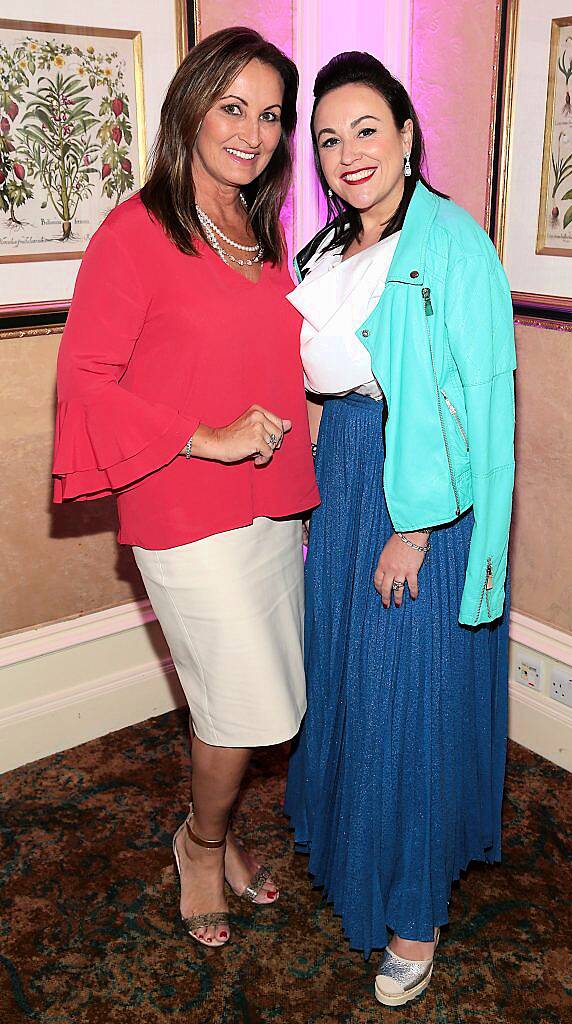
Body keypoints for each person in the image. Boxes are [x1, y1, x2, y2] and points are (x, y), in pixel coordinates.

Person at [52, 27, 319, 949]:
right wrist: (205, 437)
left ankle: (214, 828)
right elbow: (86, 379)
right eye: (231, 106)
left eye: (271, 114)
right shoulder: (137, 231)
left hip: (270, 504)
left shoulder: (262, 228)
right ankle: (199, 844)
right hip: (182, 505)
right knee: (249, 703)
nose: (252, 130)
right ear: (191, 109)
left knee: (241, 704)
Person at [285, 51, 515, 1006]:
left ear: (409, 134)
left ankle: (414, 919)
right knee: (349, 680)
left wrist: (416, 530)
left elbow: (477, 403)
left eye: (365, 129)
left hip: (414, 493)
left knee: (406, 700)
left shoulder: (453, 244)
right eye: (328, 139)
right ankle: (359, 858)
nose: (347, 153)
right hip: (345, 478)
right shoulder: (330, 250)